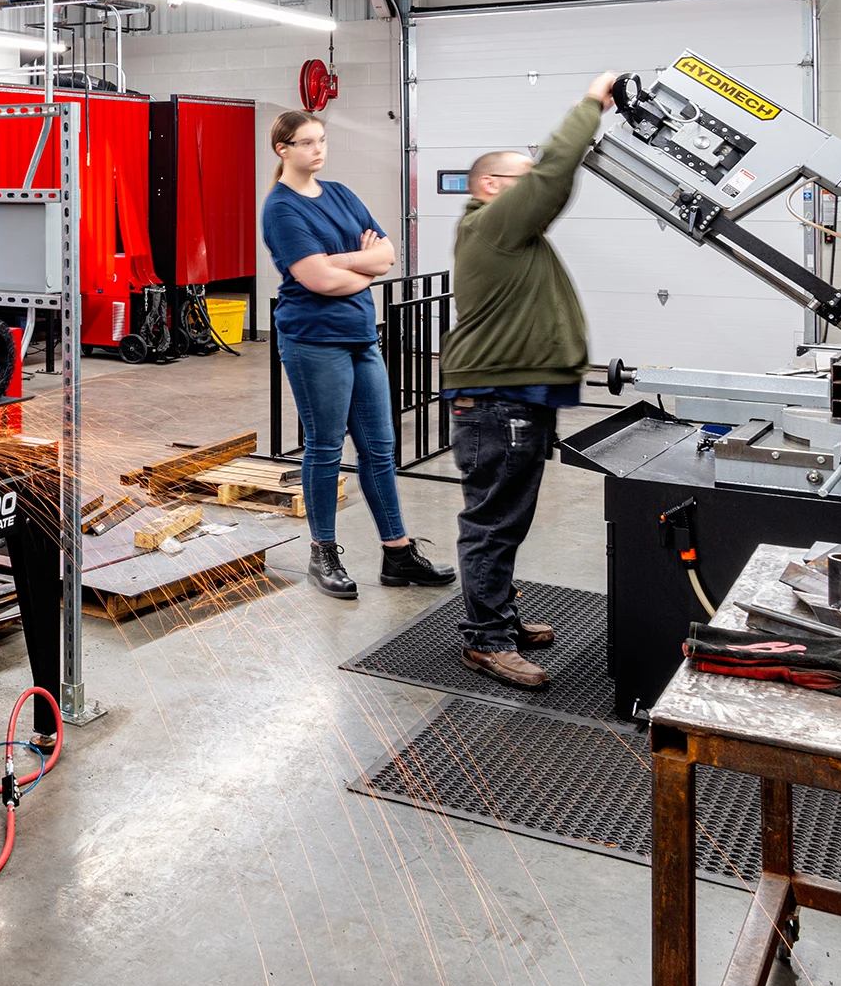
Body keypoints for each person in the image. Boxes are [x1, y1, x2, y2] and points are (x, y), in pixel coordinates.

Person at [438, 75, 616, 689]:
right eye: (522, 176)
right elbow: (553, 178)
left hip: (515, 397)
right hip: (498, 402)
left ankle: (500, 621)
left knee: (506, 517)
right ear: (492, 187)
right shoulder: (491, 224)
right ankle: (487, 641)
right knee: (493, 520)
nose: (534, 186)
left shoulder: (510, 236)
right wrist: (591, 104)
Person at [262, 108, 454, 600]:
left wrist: (346, 263)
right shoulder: (281, 210)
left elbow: (386, 255)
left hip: (361, 335)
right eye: (306, 143)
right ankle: (322, 553)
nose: (318, 150)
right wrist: (358, 268)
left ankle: (397, 553)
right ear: (283, 149)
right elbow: (318, 281)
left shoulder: (342, 194)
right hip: (312, 339)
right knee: (325, 448)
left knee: (380, 448)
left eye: (321, 140)